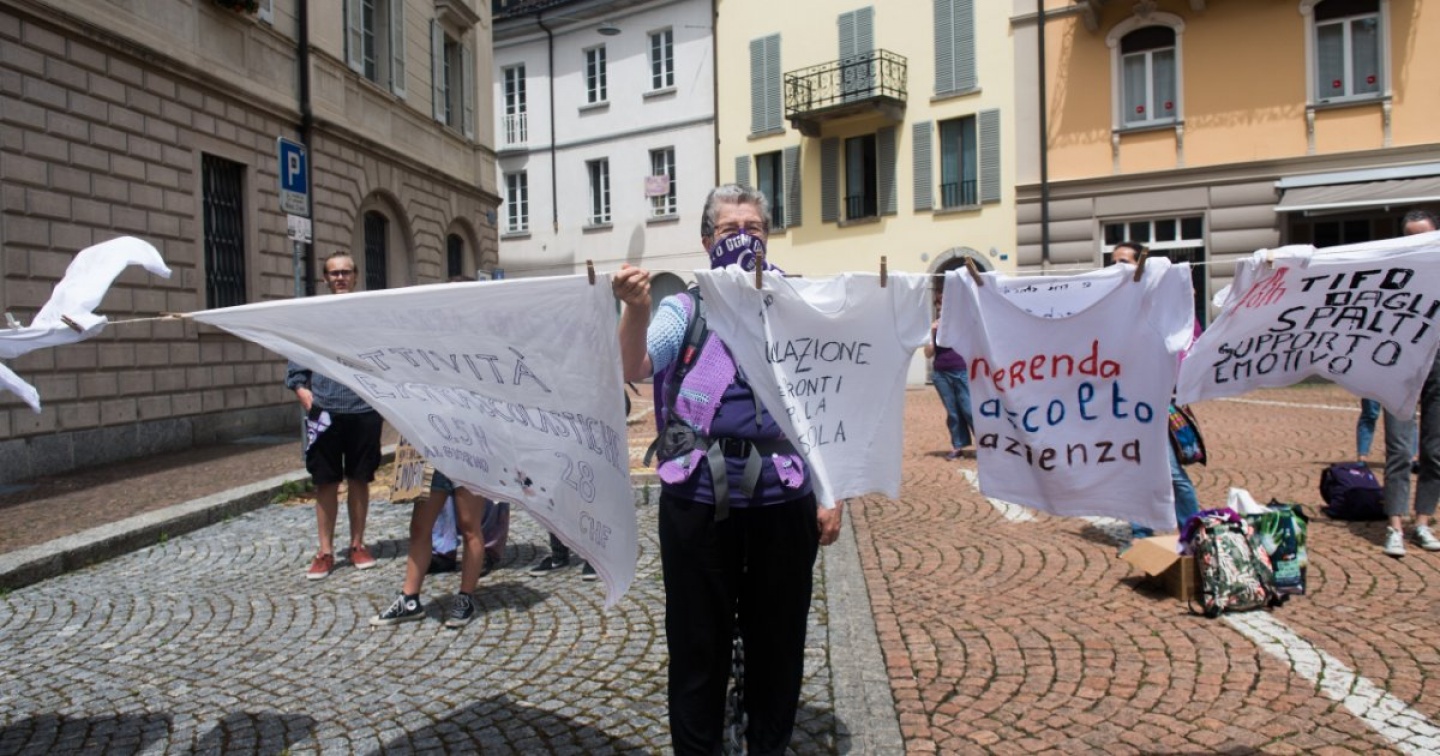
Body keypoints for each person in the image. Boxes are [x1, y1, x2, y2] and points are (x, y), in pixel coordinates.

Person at [611, 184, 843, 755]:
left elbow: (826, 405)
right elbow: (635, 364)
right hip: (696, 503)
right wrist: (635, 308)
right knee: (697, 646)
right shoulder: (685, 309)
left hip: (781, 501)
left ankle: (767, 747)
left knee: (778, 644)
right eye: (730, 229)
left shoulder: (795, 304)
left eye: (754, 228)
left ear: (769, 236)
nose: (744, 238)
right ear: (706, 241)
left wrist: (832, 491)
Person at [284, 251, 384, 580]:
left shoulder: (368, 316)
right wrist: (301, 390)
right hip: (324, 412)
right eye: (334, 273)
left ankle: (357, 544)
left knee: (359, 478)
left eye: (345, 272)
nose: (340, 277)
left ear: (355, 276)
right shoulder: (313, 316)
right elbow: (297, 356)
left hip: (364, 410)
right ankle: (325, 551)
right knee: (325, 481)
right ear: (325, 279)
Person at [1109, 241, 1203, 549]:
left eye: (1123, 261)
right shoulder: (1113, 303)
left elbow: (1188, 340)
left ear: (1140, 265)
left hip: (1159, 402)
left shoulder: (1159, 300)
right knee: (1135, 468)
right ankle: (1140, 534)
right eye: (1112, 262)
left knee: (1171, 472)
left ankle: (1194, 530)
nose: (1116, 268)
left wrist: (1183, 300)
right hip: (1126, 402)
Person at [1380, 209, 1440, 557]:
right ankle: (1395, 525)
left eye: (1425, 236)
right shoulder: (1391, 271)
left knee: (1435, 452)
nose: (1418, 242)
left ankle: (1423, 522)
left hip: (1438, 364)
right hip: (1398, 363)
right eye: (1410, 237)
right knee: (1399, 450)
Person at [371, 468, 491, 628]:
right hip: (433, 459)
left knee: (469, 526)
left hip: (467, 459)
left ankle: (465, 598)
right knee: (419, 527)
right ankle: (409, 599)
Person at [923, 287, 973, 459]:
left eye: (945, 303)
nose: (941, 306)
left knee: (969, 409)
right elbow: (928, 353)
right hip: (941, 373)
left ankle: (986, 445)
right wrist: (931, 333)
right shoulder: (934, 326)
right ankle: (958, 445)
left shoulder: (961, 323)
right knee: (953, 412)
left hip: (961, 370)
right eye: (939, 303)